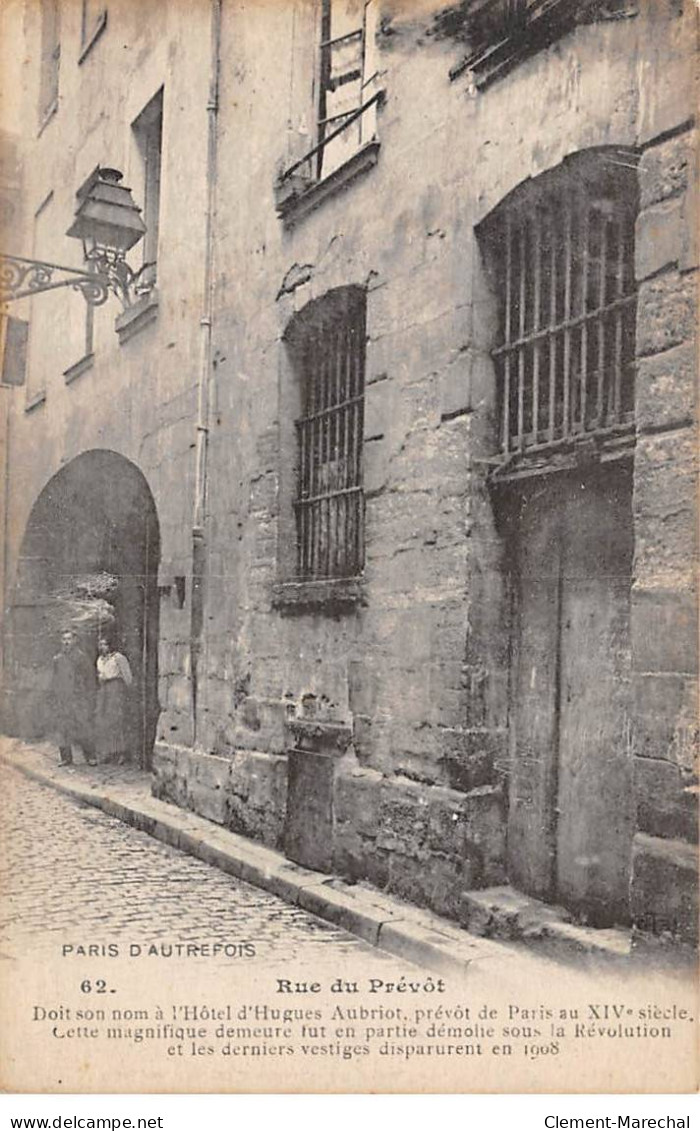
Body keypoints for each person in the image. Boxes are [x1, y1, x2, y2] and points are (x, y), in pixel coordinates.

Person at [51, 630, 97, 767]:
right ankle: (66, 758)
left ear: (75, 640)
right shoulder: (57, 659)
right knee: (63, 728)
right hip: (63, 699)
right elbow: (55, 680)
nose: (66, 642)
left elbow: (89, 679)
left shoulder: (82, 658)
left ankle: (90, 757)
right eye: (64, 639)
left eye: (69, 639)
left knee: (83, 727)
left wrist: (87, 697)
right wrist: (56, 696)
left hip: (78, 699)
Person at [95, 635, 134, 765]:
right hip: (104, 689)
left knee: (117, 720)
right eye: (100, 644)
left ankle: (122, 752)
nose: (102, 647)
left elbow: (128, 678)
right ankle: (109, 752)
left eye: (105, 644)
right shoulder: (100, 659)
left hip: (116, 688)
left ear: (110, 645)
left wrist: (122, 691)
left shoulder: (118, 658)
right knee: (104, 720)